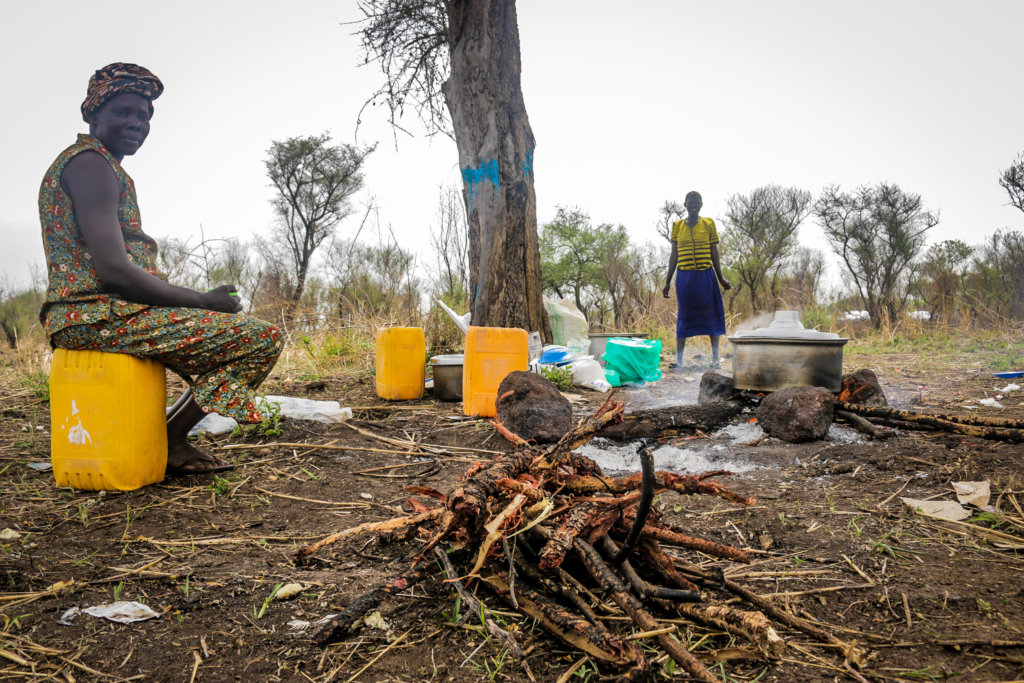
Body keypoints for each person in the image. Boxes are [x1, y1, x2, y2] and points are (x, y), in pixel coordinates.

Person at [39, 63, 284, 475]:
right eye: (124, 111)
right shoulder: (90, 164)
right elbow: (114, 271)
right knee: (262, 339)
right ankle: (170, 440)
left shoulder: (101, 166)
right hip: (97, 315)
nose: (137, 123)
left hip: (108, 312)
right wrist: (205, 301)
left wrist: (201, 306)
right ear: (92, 114)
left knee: (237, 340)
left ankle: (163, 435)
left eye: (145, 115)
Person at [661, 191, 731, 369]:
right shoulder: (677, 226)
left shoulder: (708, 223)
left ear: (701, 205)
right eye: (690, 203)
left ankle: (715, 360)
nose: (693, 206)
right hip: (685, 278)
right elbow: (674, 255)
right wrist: (667, 282)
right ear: (685, 204)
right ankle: (679, 360)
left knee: (712, 314)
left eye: (697, 203)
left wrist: (721, 277)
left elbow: (713, 251)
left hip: (705, 275)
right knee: (684, 315)